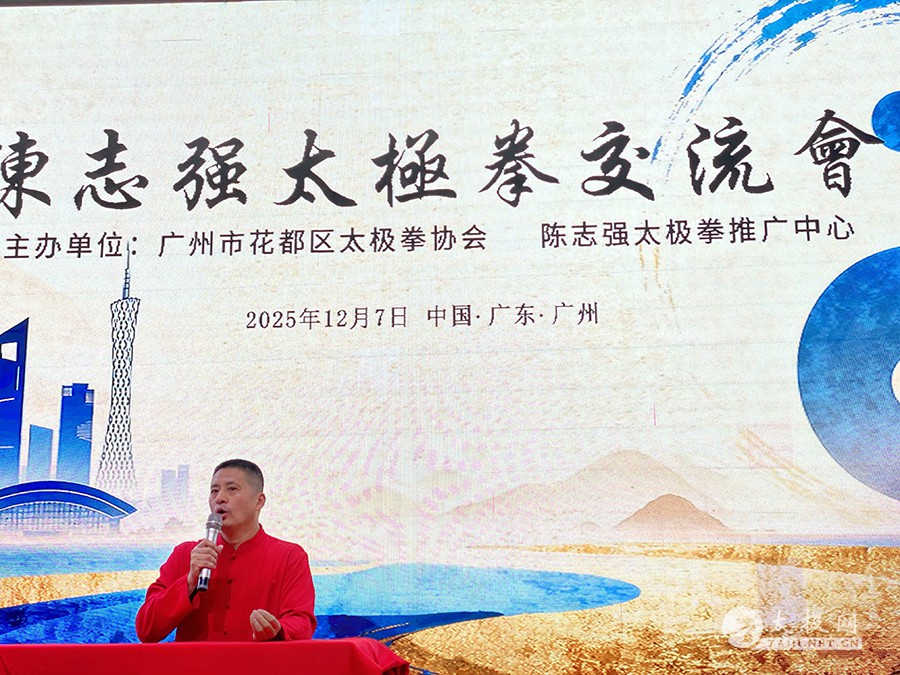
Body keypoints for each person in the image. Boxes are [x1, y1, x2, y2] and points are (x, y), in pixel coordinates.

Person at [135, 459, 316, 642]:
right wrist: (189, 582)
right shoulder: (186, 555)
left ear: (259, 501)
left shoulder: (289, 556)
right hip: (196, 661)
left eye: (232, 489)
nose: (219, 498)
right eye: (214, 491)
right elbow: (146, 630)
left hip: (257, 660)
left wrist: (277, 632)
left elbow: (301, 622)